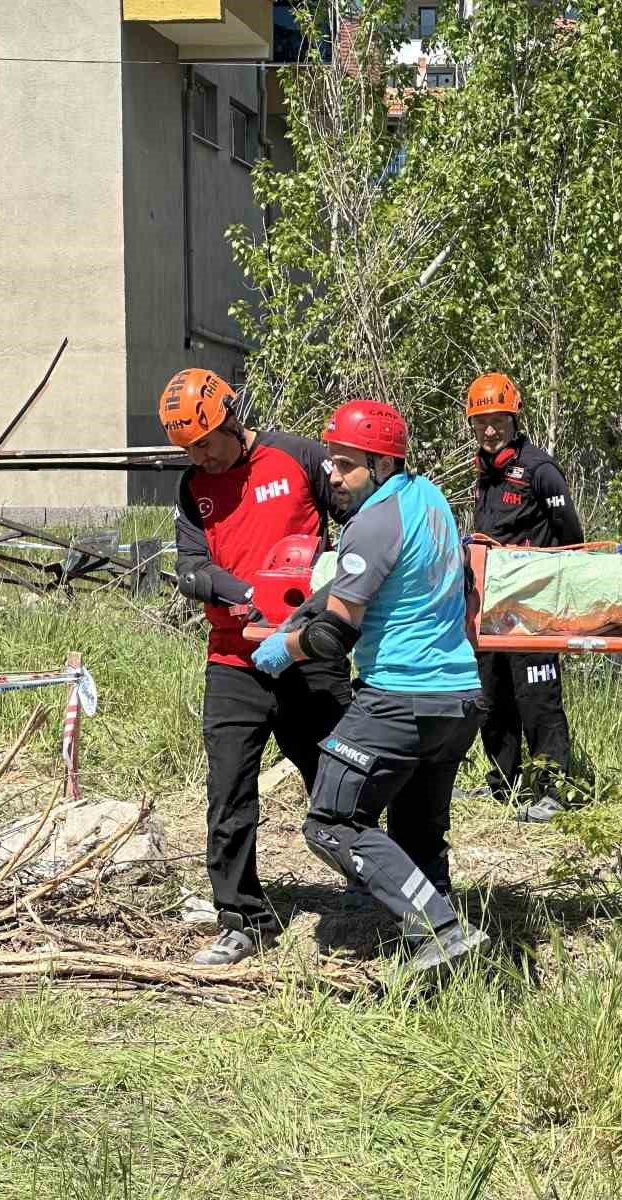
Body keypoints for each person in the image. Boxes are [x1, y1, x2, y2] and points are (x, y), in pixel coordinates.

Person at [251, 399, 489, 976]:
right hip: (458, 699)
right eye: (330, 461)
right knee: (417, 830)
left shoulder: (372, 522)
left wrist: (282, 648)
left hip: (399, 698)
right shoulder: (428, 498)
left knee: (330, 822)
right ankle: (449, 968)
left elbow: (334, 637)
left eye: (344, 464)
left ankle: (441, 932)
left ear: (381, 464)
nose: (331, 475)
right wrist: (302, 613)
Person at [166, 368, 351, 966]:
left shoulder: (296, 456)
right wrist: (237, 592)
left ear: (230, 418)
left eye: (206, 442)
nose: (200, 456)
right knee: (229, 792)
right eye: (189, 448)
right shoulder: (193, 487)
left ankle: (383, 886)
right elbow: (191, 567)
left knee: (341, 775)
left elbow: (360, 516)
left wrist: (335, 596)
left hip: (308, 655)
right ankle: (242, 916)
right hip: (233, 661)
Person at [466, 373, 584, 823]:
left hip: (533, 609)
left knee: (538, 697)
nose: (489, 430)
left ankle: (555, 790)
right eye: (481, 423)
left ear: (514, 419)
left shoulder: (540, 469)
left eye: (497, 421)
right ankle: (503, 784)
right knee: (491, 697)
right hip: (490, 606)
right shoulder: (484, 469)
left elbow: (571, 539)